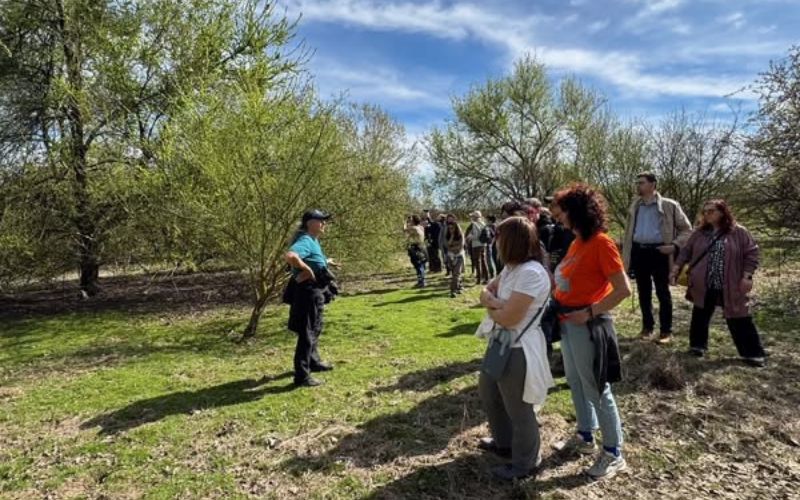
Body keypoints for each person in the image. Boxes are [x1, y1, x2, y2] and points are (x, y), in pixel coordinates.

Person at [552, 184, 631, 481]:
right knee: (575, 380)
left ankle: (613, 454)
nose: (559, 218)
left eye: (563, 212)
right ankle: (586, 437)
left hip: (588, 325)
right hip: (568, 323)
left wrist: (588, 313)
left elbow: (624, 289)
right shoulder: (576, 242)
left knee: (597, 388)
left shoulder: (601, 243)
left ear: (578, 212)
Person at [477, 216, 553, 480]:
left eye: (498, 236)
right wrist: (496, 303)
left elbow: (510, 318)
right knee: (489, 392)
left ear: (510, 241)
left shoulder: (532, 273)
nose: (495, 242)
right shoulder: (511, 268)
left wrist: (492, 306)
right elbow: (485, 291)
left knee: (519, 409)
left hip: (519, 347)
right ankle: (504, 443)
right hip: (501, 341)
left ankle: (525, 463)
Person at [669, 200, 767, 367]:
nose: (707, 214)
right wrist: (675, 269)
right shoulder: (699, 233)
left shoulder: (738, 232)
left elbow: (751, 254)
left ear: (722, 212)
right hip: (703, 282)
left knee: (739, 316)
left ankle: (752, 354)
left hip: (730, 282)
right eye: (705, 211)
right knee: (700, 313)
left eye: (711, 211)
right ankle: (697, 346)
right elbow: (686, 251)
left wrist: (747, 276)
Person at [622, 172, 691, 344]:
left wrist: (674, 246)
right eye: (637, 183)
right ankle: (647, 328)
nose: (638, 186)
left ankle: (666, 331)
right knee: (643, 293)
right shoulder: (635, 206)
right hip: (639, 252)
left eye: (642, 183)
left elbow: (687, 230)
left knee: (663, 293)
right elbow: (629, 232)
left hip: (660, 252)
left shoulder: (670, 205)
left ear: (653, 185)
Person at [284, 210, 337, 387]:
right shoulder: (305, 239)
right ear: (309, 223)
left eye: (324, 221)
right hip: (308, 291)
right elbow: (291, 256)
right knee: (307, 332)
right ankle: (302, 375)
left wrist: (325, 261)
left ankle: (313, 361)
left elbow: (312, 257)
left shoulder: (313, 240)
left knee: (315, 327)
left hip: (315, 291)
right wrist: (306, 269)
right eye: (320, 220)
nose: (324, 224)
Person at [466, 211, 490, 285]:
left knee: (477, 261)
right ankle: (486, 278)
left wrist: (469, 237)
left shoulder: (474, 224)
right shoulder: (483, 223)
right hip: (483, 244)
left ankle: (479, 279)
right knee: (483, 261)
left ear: (475, 217)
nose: (471, 217)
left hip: (476, 245)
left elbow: (476, 236)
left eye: (472, 216)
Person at [445, 214, 466, 297]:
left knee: (456, 274)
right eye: (449, 228)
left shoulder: (460, 235)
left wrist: (453, 249)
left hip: (459, 256)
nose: (451, 230)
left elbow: (461, 246)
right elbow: (447, 245)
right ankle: (459, 287)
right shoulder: (448, 235)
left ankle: (453, 290)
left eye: (452, 228)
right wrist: (451, 237)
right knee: (454, 273)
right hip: (450, 256)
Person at [404, 215, 427, 288]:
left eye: (410, 220)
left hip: (416, 247)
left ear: (413, 221)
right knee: (422, 264)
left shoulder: (413, 228)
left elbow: (404, 230)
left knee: (418, 265)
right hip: (422, 246)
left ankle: (421, 282)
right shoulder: (421, 227)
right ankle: (421, 281)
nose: (409, 221)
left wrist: (404, 222)